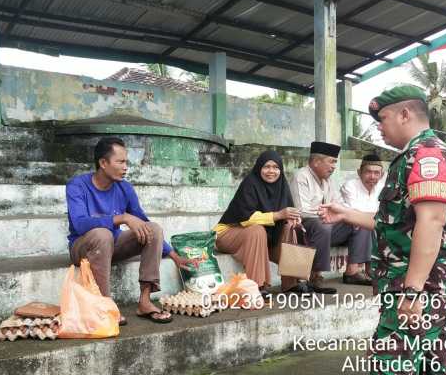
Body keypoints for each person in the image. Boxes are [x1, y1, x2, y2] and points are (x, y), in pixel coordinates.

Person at [319, 85, 446, 375]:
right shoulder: (418, 155)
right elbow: (397, 223)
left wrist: (413, 291)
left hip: (419, 290)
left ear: (405, 114)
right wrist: (347, 213)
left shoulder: (426, 155)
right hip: (431, 290)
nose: (379, 129)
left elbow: (431, 221)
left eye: (382, 119)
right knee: (435, 373)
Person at [66, 137, 196, 325]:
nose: (126, 167)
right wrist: (123, 217)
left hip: (112, 246)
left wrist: (174, 255)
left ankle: (145, 301)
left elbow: (143, 222)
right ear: (103, 163)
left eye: (126, 162)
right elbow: (79, 224)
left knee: (153, 229)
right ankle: (105, 305)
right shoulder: (77, 186)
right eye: (120, 162)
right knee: (103, 233)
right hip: (82, 249)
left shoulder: (124, 188)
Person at [214, 151, 302, 295]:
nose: (271, 171)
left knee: (288, 228)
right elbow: (245, 218)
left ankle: (290, 283)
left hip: (262, 239)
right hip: (228, 234)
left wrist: (293, 219)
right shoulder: (250, 183)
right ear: (259, 168)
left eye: (275, 167)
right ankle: (257, 285)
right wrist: (278, 215)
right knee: (257, 230)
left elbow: (286, 215)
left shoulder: (282, 186)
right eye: (266, 167)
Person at [289, 141, 372, 293]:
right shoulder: (301, 176)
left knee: (358, 221)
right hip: (306, 227)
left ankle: (352, 272)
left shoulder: (328, 180)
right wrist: (326, 213)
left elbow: (339, 205)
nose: (334, 166)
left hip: (326, 227)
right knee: (322, 225)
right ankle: (315, 276)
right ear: (315, 161)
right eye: (331, 161)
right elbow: (301, 211)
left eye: (335, 162)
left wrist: (349, 214)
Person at [339, 153, 386, 284]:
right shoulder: (350, 186)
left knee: (379, 224)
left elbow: (383, 213)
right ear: (359, 172)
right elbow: (355, 213)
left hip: (367, 226)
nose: (372, 176)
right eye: (368, 172)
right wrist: (373, 215)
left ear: (381, 175)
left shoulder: (382, 188)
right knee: (363, 223)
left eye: (377, 173)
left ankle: (371, 271)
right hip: (346, 227)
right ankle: (352, 271)